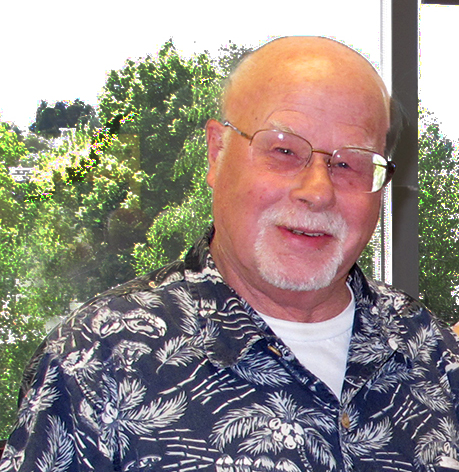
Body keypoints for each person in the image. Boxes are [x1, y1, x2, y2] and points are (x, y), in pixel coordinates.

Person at [1, 36, 459, 472]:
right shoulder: (98, 359)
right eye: (283, 150)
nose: (317, 191)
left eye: (348, 164)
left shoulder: (432, 350)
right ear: (216, 153)